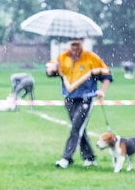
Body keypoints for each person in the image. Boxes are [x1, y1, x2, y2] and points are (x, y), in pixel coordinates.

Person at [46, 37, 113, 168]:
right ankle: (90, 157)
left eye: (77, 44)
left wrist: (102, 91)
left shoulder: (91, 58)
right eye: (72, 44)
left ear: (82, 43)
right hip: (69, 98)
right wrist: (53, 69)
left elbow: (106, 76)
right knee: (79, 128)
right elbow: (50, 72)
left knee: (76, 128)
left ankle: (66, 158)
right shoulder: (62, 57)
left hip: (86, 98)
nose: (75, 47)